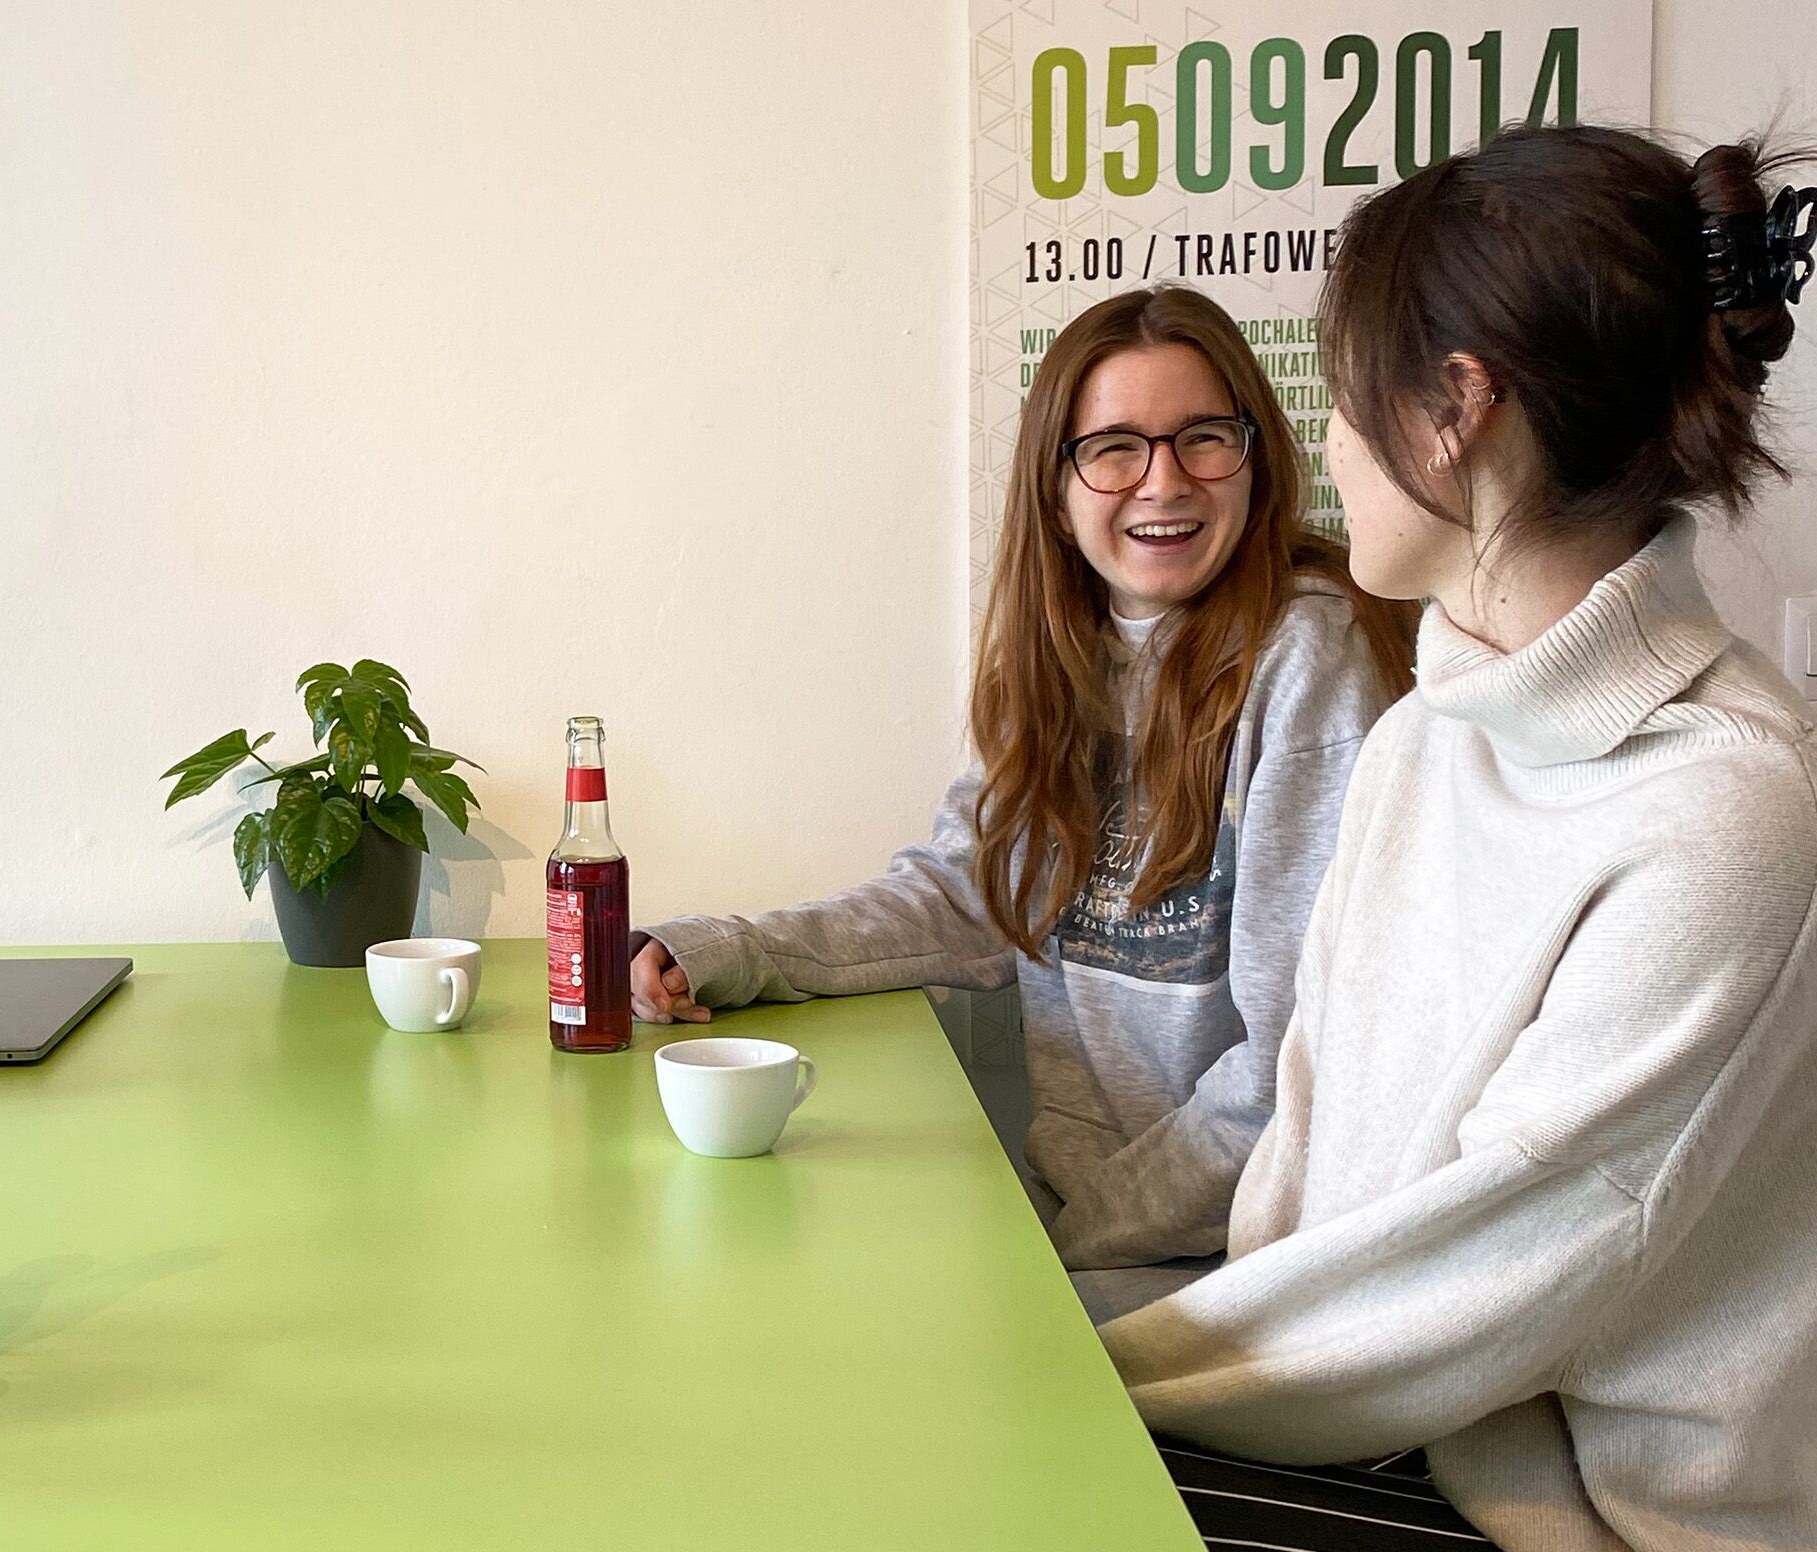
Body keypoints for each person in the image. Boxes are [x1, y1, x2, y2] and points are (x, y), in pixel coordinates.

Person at [1101, 127, 1817, 1550]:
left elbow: (1490, 1271)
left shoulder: (1728, 813)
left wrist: (1074, 1373)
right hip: (1357, 1434)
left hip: (1567, 1520)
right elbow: (1311, 1125)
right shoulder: (1434, 724)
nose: (1327, 446)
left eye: (1344, 396)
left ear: (1457, 410)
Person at [632, 286, 1414, 1307]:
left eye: (1203, 439)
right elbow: (967, 896)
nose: (1163, 481)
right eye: (1115, 447)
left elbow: (1292, 1068)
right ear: (1057, 488)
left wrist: (1057, 1246)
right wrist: (734, 950)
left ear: (1256, 460)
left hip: (1239, 1262)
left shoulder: (1309, 658)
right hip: (1097, 1227)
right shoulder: (1068, 655)